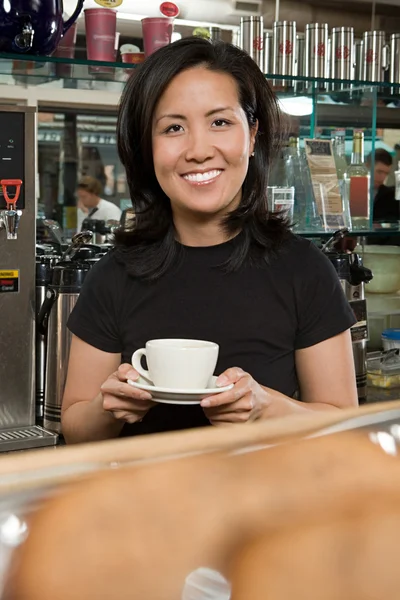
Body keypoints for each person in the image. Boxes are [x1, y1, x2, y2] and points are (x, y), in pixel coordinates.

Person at [62, 37, 358, 444]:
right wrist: (108, 408)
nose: (199, 150)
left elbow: (343, 429)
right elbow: (76, 429)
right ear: (147, 148)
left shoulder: (305, 271)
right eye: (173, 128)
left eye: (220, 122)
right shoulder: (112, 276)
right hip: (143, 504)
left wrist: (268, 408)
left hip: (266, 505)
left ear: (252, 136)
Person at [366, 149, 399, 223]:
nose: (382, 177)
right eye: (379, 172)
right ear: (367, 166)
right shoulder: (352, 191)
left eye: (386, 173)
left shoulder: (390, 196)